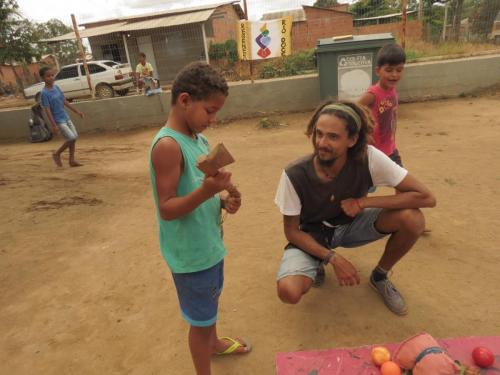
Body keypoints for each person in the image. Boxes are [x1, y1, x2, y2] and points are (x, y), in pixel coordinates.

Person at [274, 100, 436, 316]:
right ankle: (317, 262)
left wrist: (364, 202)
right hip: (313, 235)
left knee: (413, 219)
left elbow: (426, 197)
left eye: (333, 136)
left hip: (352, 224)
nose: (321, 143)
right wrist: (332, 258)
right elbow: (292, 231)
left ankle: (379, 276)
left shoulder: (368, 158)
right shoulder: (294, 174)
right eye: (318, 133)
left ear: (352, 139)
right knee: (289, 291)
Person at [149, 62, 251, 375]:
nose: (213, 119)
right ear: (184, 101)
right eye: (209, 111)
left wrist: (222, 199)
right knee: (200, 321)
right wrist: (207, 193)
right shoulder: (168, 146)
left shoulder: (198, 140)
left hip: (208, 244)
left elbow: (199, 185)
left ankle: (215, 342)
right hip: (191, 255)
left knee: (210, 304)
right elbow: (166, 208)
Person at [359, 43, 406, 167]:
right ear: (378, 71)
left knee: (403, 183)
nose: (394, 74)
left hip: (390, 149)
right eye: (389, 70)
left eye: (399, 70)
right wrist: (364, 134)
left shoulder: (392, 89)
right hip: (374, 152)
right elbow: (354, 112)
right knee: (369, 185)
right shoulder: (372, 94)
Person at [39, 66, 84, 167]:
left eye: (52, 75)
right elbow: (48, 110)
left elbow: (64, 101)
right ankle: (57, 154)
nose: (51, 78)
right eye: (48, 76)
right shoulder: (44, 93)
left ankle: (71, 160)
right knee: (72, 138)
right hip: (59, 121)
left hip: (66, 117)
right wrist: (54, 125)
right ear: (43, 78)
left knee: (74, 138)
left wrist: (77, 112)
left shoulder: (57, 88)